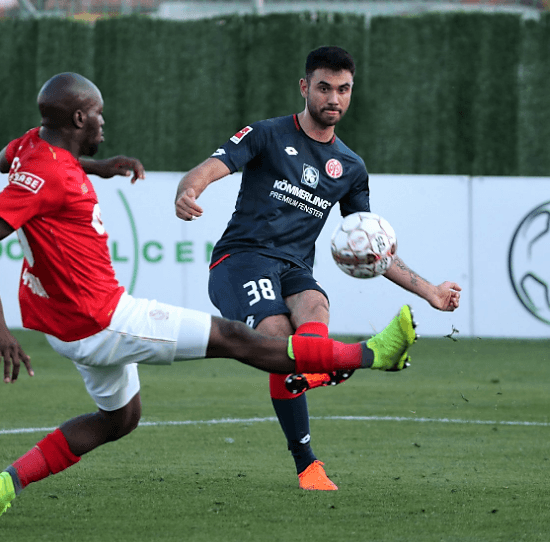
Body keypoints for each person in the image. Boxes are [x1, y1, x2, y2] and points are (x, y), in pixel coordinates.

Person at [0, 72, 418, 526]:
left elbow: (8, 159)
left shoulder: (33, 149)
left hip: (67, 328)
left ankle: (5, 484)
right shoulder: (50, 171)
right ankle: (374, 354)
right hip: (101, 318)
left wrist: (96, 167)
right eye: (98, 113)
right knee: (236, 338)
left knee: (120, 419)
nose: (104, 121)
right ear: (79, 117)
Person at [174, 46, 461, 491]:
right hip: (241, 259)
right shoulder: (267, 134)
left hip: (294, 268)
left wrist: (430, 292)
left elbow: (372, 247)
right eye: (325, 87)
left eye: (344, 89)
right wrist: (188, 191)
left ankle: (314, 374)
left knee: (315, 309)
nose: (335, 98)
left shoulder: (350, 167)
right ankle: (309, 455)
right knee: (276, 341)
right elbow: (211, 167)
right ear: (305, 87)